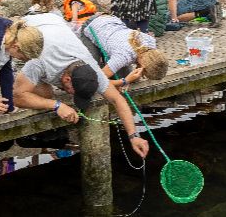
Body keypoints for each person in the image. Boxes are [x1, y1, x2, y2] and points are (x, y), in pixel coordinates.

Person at [14, 11, 150, 158]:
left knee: (46, 93)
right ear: (66, 79)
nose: (73, 95)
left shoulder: (91, 68)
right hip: (30, 25)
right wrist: (56, 105)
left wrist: (133, 136)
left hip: (56, 23)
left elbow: (118, 99)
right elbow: (18, 97)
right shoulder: (39, 61)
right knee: (44, 94)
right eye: (74, 91)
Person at [78, 14, 169, 88]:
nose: (143, 76)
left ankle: (108, 62)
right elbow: (97, 81)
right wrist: (125, 81)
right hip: (91, 25)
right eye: (145, 74)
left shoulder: (151, 42)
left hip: (111, 21)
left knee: (133, 78)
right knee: (91, 72)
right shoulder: (123, 56)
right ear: (143, 67)